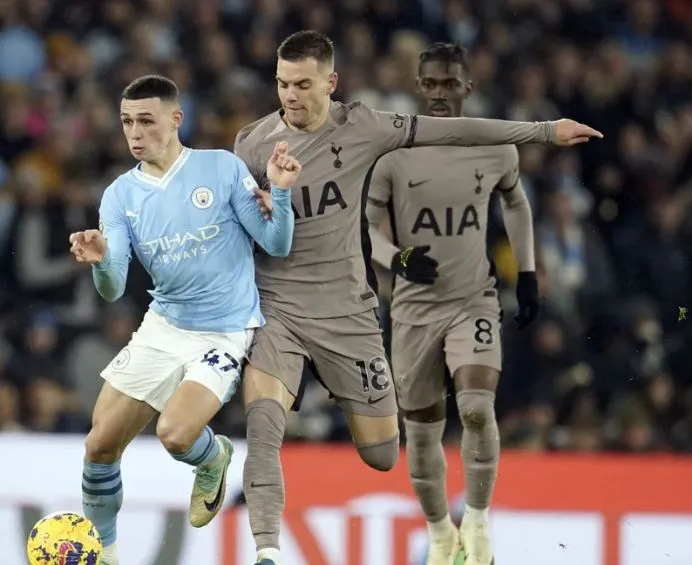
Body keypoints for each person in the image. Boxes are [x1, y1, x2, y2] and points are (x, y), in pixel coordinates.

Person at [235, 30, 599, 565]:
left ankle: (455, 515)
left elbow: (454, 131)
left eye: (304, 84)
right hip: (279, 311)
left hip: (348, 315)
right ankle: (266, 550)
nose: (290, 95)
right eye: (283, 83)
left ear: (330, 83)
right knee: (263, 426)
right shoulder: (250, 144)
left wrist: (544, 130)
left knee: (383, 452)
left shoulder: (365, 127)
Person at [67, 74, 298, 565]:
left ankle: (212, 457)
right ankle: (104, 554)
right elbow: (111, 291)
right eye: (127, 121)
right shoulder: (120, 196)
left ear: (176, 119)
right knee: (99, 445)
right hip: (164, 325)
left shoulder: (220, 168)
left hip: (224, 331)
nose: (135, 132)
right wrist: (103, 259)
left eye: (146, 121)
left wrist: (279, 194)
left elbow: (275, 244)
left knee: (174, 435)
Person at [366, 42, 540, 565]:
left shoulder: (496, 146)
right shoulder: (393, 151)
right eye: (431, 84)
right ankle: (441, 533)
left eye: (450, 84)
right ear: (420, 88)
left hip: (473, 301)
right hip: (414, 310)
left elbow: (516, 203)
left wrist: (527, 274)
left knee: (476, 407)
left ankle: (479, 521)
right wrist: (395, 260)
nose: (440, 93)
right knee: (420, 433)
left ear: (467, 87)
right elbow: (365, 225)